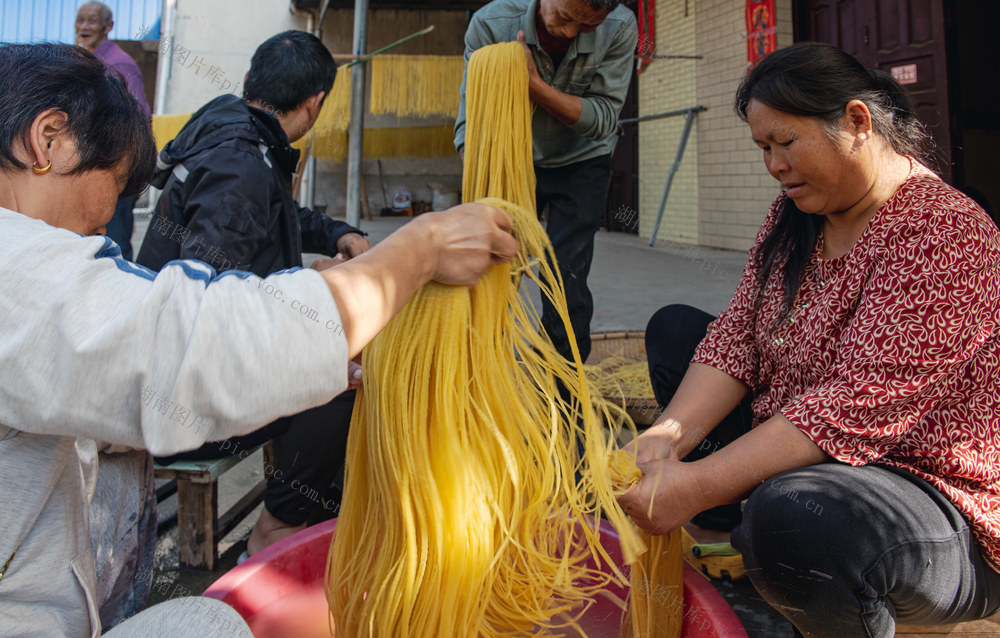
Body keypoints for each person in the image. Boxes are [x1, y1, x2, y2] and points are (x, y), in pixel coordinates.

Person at [0, 42, 517, 637]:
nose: (107, 221)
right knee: (333, 397)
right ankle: (278, 528)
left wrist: (320, 277)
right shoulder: (19, 267)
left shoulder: (239, 138)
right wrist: (419, 250)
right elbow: (197, 337)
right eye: (113, 184)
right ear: (50, 138)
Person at [617, 42, 1000, 637]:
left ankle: (822, 586)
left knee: (794, 518)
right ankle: (732, 544)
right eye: (763, 149)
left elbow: (853, 406)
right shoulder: (794, 215)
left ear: (856, 122)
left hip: (929, 499)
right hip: (807, 449)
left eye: (786, 143)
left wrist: (694, 483)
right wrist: (668, 439)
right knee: (678, 329)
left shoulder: (945, 231)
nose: (774, 165)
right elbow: (737, 337)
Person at [136, 30, 372, 559]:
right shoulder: (241, 167)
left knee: (329, 353)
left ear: (249, 82)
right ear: (315, 105)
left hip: (182, 363)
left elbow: (278, 218)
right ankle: (278, 528)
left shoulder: (237, 133)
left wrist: (336, 233)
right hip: (180, 396)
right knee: (337, 376)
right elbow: (209, 302)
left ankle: (311, 504)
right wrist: (318, 287)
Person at [455, 0, 637, 363]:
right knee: (495, 272)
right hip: (510, 158)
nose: (570, 32)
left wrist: (534, 87)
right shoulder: (492, 23)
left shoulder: (620, 26)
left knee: (564, 278)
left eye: (586, 28)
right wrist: (488, 177)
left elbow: (603, 118)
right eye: (565, 17)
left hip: (582, 160)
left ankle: (563, 393)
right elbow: (470, 123)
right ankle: (482, 375)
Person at [75, 1, 150, 261]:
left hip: (113, 170)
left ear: (108, 26)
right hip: (89, 167)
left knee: (114, 244)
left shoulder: (120, 64)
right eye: (80, 20)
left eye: (91, 21)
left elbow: (140, 118)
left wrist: (121, 171)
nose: (84, 27)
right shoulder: (85, 60)